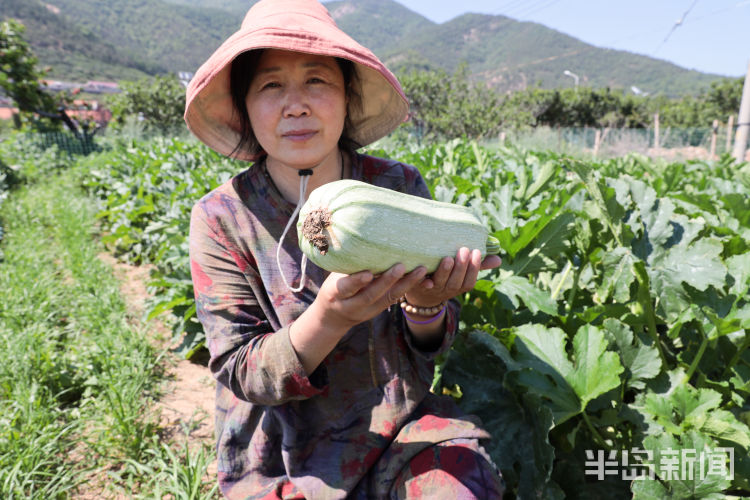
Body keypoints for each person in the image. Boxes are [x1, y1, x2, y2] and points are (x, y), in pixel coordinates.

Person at [184, 0, 504, 498]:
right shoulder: (221, 218)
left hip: (400, 430)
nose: (297, 104)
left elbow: (430, 341)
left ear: (348, 96)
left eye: (317, 81)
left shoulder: (397, 185)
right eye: (271, 85)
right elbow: (241, 371)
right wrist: (330, 318)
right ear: (245, 106)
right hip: (279, 453)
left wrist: (426, 305)